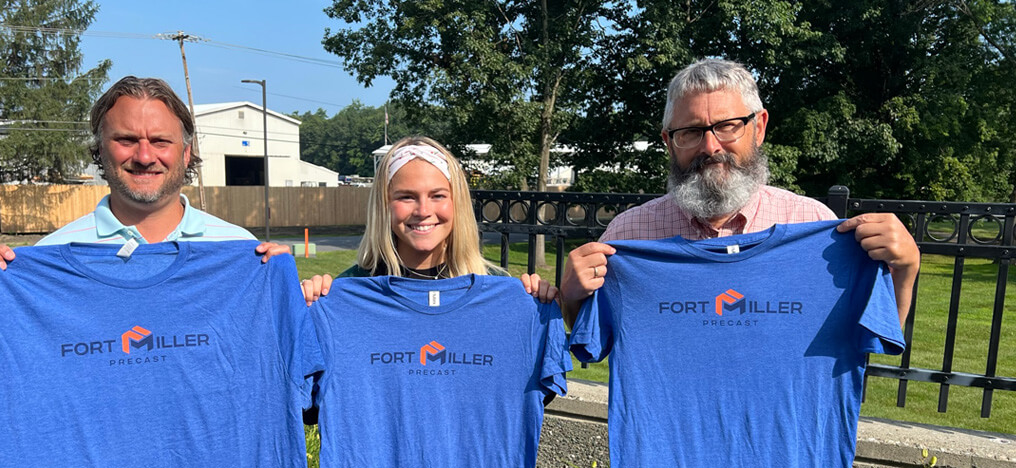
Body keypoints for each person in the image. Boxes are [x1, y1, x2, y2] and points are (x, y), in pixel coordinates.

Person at [559, 58, 919, 325]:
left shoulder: (816, 229)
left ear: (758, 127)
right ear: (669, 142)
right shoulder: (627, 237)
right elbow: (595, 340)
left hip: (779, 428)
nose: (711, 147)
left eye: (728, 126)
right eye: (690, 132)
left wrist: (905, 269)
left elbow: (864, 341)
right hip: (672, 427)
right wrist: (572, 299)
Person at [0, 76, 287, 265]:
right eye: (126, 140)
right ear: (99, 148)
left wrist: (305, 293)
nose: (144, 155)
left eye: (160, 141)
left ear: (187, 152)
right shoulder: (51, 255)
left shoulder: (242, 251)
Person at [300, 136, 556, 304]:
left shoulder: (499, 289)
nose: (423, 210)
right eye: (407, 197)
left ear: (457, 203)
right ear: (383, 205)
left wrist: (537, 302)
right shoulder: (349, 291)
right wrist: (309, 303)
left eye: (437, 195)